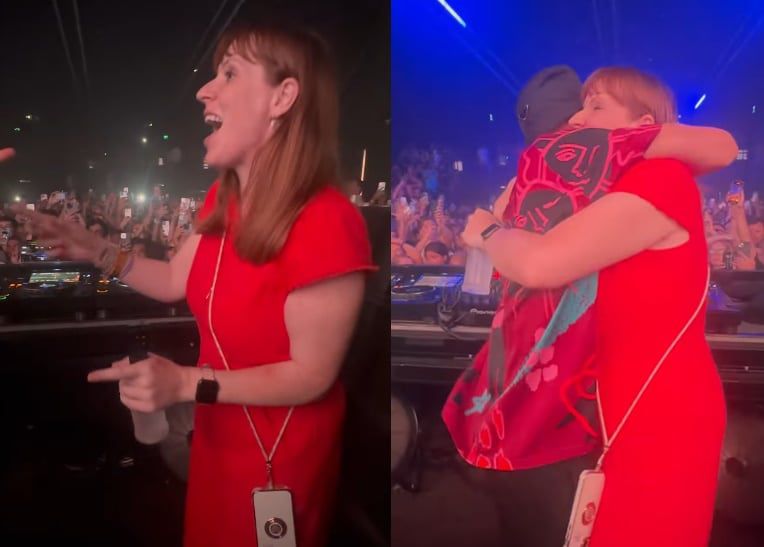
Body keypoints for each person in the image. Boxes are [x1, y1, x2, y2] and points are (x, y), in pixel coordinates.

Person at [11, 21, 374, 547]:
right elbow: (173, 280)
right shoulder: (222, 202)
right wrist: (97, 250)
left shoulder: (328, 220)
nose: (205, 90)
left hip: (279, 456)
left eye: (229, 73)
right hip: (219, 435)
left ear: (283, 97)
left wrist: (185, 384)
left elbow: (312, 375)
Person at [456, 66, 733, 546]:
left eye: (596, 106)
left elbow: (540, 263)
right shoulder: (606, 189)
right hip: (613, 405)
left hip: (657, 413)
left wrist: (487, 231)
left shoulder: (660, 178)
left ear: (642, 124)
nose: (578, 119)